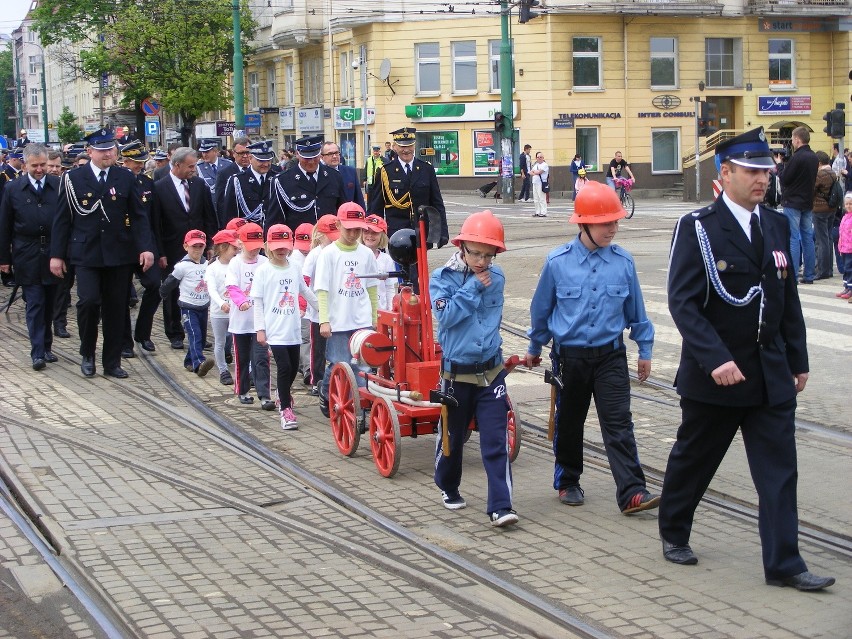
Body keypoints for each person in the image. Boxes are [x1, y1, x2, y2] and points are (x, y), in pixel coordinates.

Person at [659, 127, 834, 591]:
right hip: (716, 376)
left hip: (769, 372)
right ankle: (674, 529)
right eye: (753, 171)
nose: (763, 179)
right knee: (695, 460)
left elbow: (786, 299)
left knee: (779, 472)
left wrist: (798, 359)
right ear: (727, 173)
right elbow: (683, 302)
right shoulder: (698, 227)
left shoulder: (775, 224)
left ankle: (785, 564)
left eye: (766, 171)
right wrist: (714, 358)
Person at [525, 181, 658, 514]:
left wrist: (645, 350)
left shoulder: (623, 263)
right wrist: (534, 346)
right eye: (605, 223)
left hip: (611, 356)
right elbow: (541, 311)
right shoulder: (557, 262)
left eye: (615, 222)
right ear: (583, 222)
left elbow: (637, 312)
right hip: (570, 358)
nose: (612, 229)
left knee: (619, 424)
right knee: (570, 423)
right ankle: (568, 481)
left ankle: (632, 492)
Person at [430, 210, 518, 528]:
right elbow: (448, 317)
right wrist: (472, 289)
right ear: (462, 247)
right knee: (452, 439)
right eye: (476, 253)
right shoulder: (441, 278)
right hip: (456, 375)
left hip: (491, 372)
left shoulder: (499, 278)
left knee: (494, 441)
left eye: (488, 254)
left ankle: (501, 505)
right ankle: (448, 484)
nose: (482, 261)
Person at [49, 128, 156, 379]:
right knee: (87, 302)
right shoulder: (73, 178)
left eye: (111, 149)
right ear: (90, 152)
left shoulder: (125, 177)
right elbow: (62, 219)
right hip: (85, 253)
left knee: (116, 308)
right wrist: (56, 255)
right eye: (101, 149)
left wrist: (146, 248)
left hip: (119, 254)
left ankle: (112, 361)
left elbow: (139, 218)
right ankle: (87, 353)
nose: (107, 153)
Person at [313, 203, 378, 417]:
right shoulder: (328, 254)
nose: (353, 234)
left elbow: (371, 287)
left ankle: (361, 408)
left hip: (361, 320)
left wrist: (373, 317)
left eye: (357, 229)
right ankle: (326, 389)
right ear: (338, 225)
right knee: (339, 363)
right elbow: (322, 289)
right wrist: (324, 320)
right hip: (338, 320)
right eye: (348, 228)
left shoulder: (366, 254)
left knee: (363, 367)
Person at [0, 144, 61, 370]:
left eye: (43, 165)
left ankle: (46, 346)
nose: (39, 169)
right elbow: (4, 225)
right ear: (25, 165)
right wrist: (3, 258)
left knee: (50, 302)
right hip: (27, 253)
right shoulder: (13, 188)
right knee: (34, 302)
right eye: (34, 165)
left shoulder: (58, 185)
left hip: (54, 254)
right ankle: (37, 352)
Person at [252, 224, 318, 430]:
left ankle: (283, 395)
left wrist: (323, 310)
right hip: (274, 329)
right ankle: (286, 410)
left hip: (292, 329)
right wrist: (260, 329)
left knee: (292, 367)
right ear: (268, 246)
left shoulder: (294, 267)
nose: (281, 250)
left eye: (285, 245)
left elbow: (305, 291)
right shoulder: (263, 271)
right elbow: (258, 302)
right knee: (284, 367)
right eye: (276, 246)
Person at [152, 146, 218, 350]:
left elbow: (208, 215)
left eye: (195, 165)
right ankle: (175, 333)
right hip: (172, 247)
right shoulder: (160, 187)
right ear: (177, 165)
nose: (194, 170)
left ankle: (198, 333)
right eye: (190, 166)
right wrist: (160, 252)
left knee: (200, 289)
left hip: (198, 247)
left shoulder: (199, 185)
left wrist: (210, 244)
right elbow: (156, 223)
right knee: (173, 291)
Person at [368, 127, 448, 291]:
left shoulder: (426, 169)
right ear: (395, 147)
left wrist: (441, 232)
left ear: (414, 146)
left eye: (409, 145)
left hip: (420, 233)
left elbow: (437, 203)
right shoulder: (385, 172)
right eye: (401, 146)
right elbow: (375, 207)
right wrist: (373, 235)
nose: (406, 150)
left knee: (419, 275)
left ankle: (418, 308)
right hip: (395, 235)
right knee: (399, 277)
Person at [118, 141, 162, 356]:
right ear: (124, 161)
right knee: (121, 295)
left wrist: (159, 251)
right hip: (122, 246)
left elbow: (154, 219)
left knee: (155, 286)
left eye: (143, 162)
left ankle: (143, 333)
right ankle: (124, 341)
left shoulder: (146, 183)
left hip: (146, 244)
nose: (140, 167)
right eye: (136, 163)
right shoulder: (115, 182)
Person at [225, 222, 274, 408]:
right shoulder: (235, 263)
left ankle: (264, 394)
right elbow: (232, 287)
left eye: (257, 248)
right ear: (240, 243)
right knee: (242, 358)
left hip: (260, 321)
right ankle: (243, 390)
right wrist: (241, 301)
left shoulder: (264, 263)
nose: (254, 251)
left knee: (261, 358)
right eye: (250, 247)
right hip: (240, 322)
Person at [159, 230, 215, 377]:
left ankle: (189, 361)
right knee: (194, 334)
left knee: (201, 338)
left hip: (203, 306)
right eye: (193, 246)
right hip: (188, 307)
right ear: (186, 247)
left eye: (200, 246)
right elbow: (170, 282)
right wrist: (163, 293)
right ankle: (199, 363)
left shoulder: (207, 265)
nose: (197, 250)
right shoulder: (182, 266)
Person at [265, 135, 346, 232]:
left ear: (320, 154)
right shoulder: (283, 180)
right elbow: (275, 219)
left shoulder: (334, 176)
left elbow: (342, 211)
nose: (311, 161)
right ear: (297, 155)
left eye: (314, 157)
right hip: (299, 241)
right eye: (306, 158)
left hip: (330, 240)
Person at [302, 215, 339, 396]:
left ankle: (333, 379)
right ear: (320, 235)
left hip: (335, 309)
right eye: (329, 236)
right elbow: (305, 281)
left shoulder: (337, 252)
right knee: (318, 348)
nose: (333, 240)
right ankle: (316, 380)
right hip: (317, 311)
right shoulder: (314, 255)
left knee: (334, 346)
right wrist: (310, 304)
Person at [777, 126, 818, 284]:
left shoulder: (797, 157)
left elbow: (785, 178)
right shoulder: (813, 157)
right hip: (807, 201)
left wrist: (780, 165)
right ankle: (809, 275)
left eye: (793, 139)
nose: (792, 142)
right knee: (808, 237)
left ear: (798, 140)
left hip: (793, 201)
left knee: (793, 238)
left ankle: (792, 275)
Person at [205, 229, 239, 385]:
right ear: (224, 247)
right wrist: (222, 303)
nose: (237, 250)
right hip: (219, 312)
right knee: (220, 341)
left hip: (237, 311)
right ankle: (223, 370)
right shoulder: (212, 268)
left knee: (234, 340)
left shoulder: (238, 264)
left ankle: (244, 369)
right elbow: (211, 289)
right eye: (233, 247)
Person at [361, 214, 396, 310]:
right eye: (366, 232)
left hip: (380, 310)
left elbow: (390, 288)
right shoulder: (356, 256)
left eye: (374, 233)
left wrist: (390, 310)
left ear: (382, 236)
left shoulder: (386, 259)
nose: (370, 236)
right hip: (360, 311)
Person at [812, 151, 836, 281]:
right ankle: (829, 269)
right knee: (828, 238)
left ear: (819, 163)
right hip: (831, 209)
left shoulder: (820, 174)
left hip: (820, 209)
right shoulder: (832, 173)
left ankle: (822, 270)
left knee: (821, 241)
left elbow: (812, 189)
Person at [214, 137, 251, 220]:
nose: (245, 156)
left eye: (248, 152)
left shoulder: (258, 171)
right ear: (234, 154)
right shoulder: (224, 174)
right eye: (241, 153)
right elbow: (221, 203)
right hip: (235, 221)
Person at [320, 141, 365, 208]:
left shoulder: (350, 172)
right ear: (322, 157)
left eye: (336, 153)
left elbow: (359, 200)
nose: (334, 156)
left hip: (349, 216)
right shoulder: (318, 174)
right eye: (330, 154)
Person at [196, 138, 231, 212]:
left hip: (226, 206)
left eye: (207, 152)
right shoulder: (199, 167)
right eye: (203, 152)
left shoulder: (228, 164)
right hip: (209, 208)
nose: (204, 155)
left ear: (215, 151)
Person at [836, 193, 852, 301]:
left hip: (850, 248)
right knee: (846, 269)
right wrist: (840, 246)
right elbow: (841, 233)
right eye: (847, 204)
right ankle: (846, 286)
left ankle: (851, 288)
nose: (849, 206)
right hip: (844, 247)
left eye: (851, 204)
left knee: (850, 268)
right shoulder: (845, 217)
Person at [529, 151, 549, 218]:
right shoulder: (535, 165)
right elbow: (530, 172)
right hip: (535, 182)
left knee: (542, 198)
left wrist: (535, 172)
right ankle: (537, 212)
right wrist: (535, 172)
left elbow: (539, 172)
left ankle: (543, 212)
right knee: (536, 199)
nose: (539, 158)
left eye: (541, 157)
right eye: (538, 157)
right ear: (536, 158)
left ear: (543, 158)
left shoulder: (545, 165)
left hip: (541, 183)